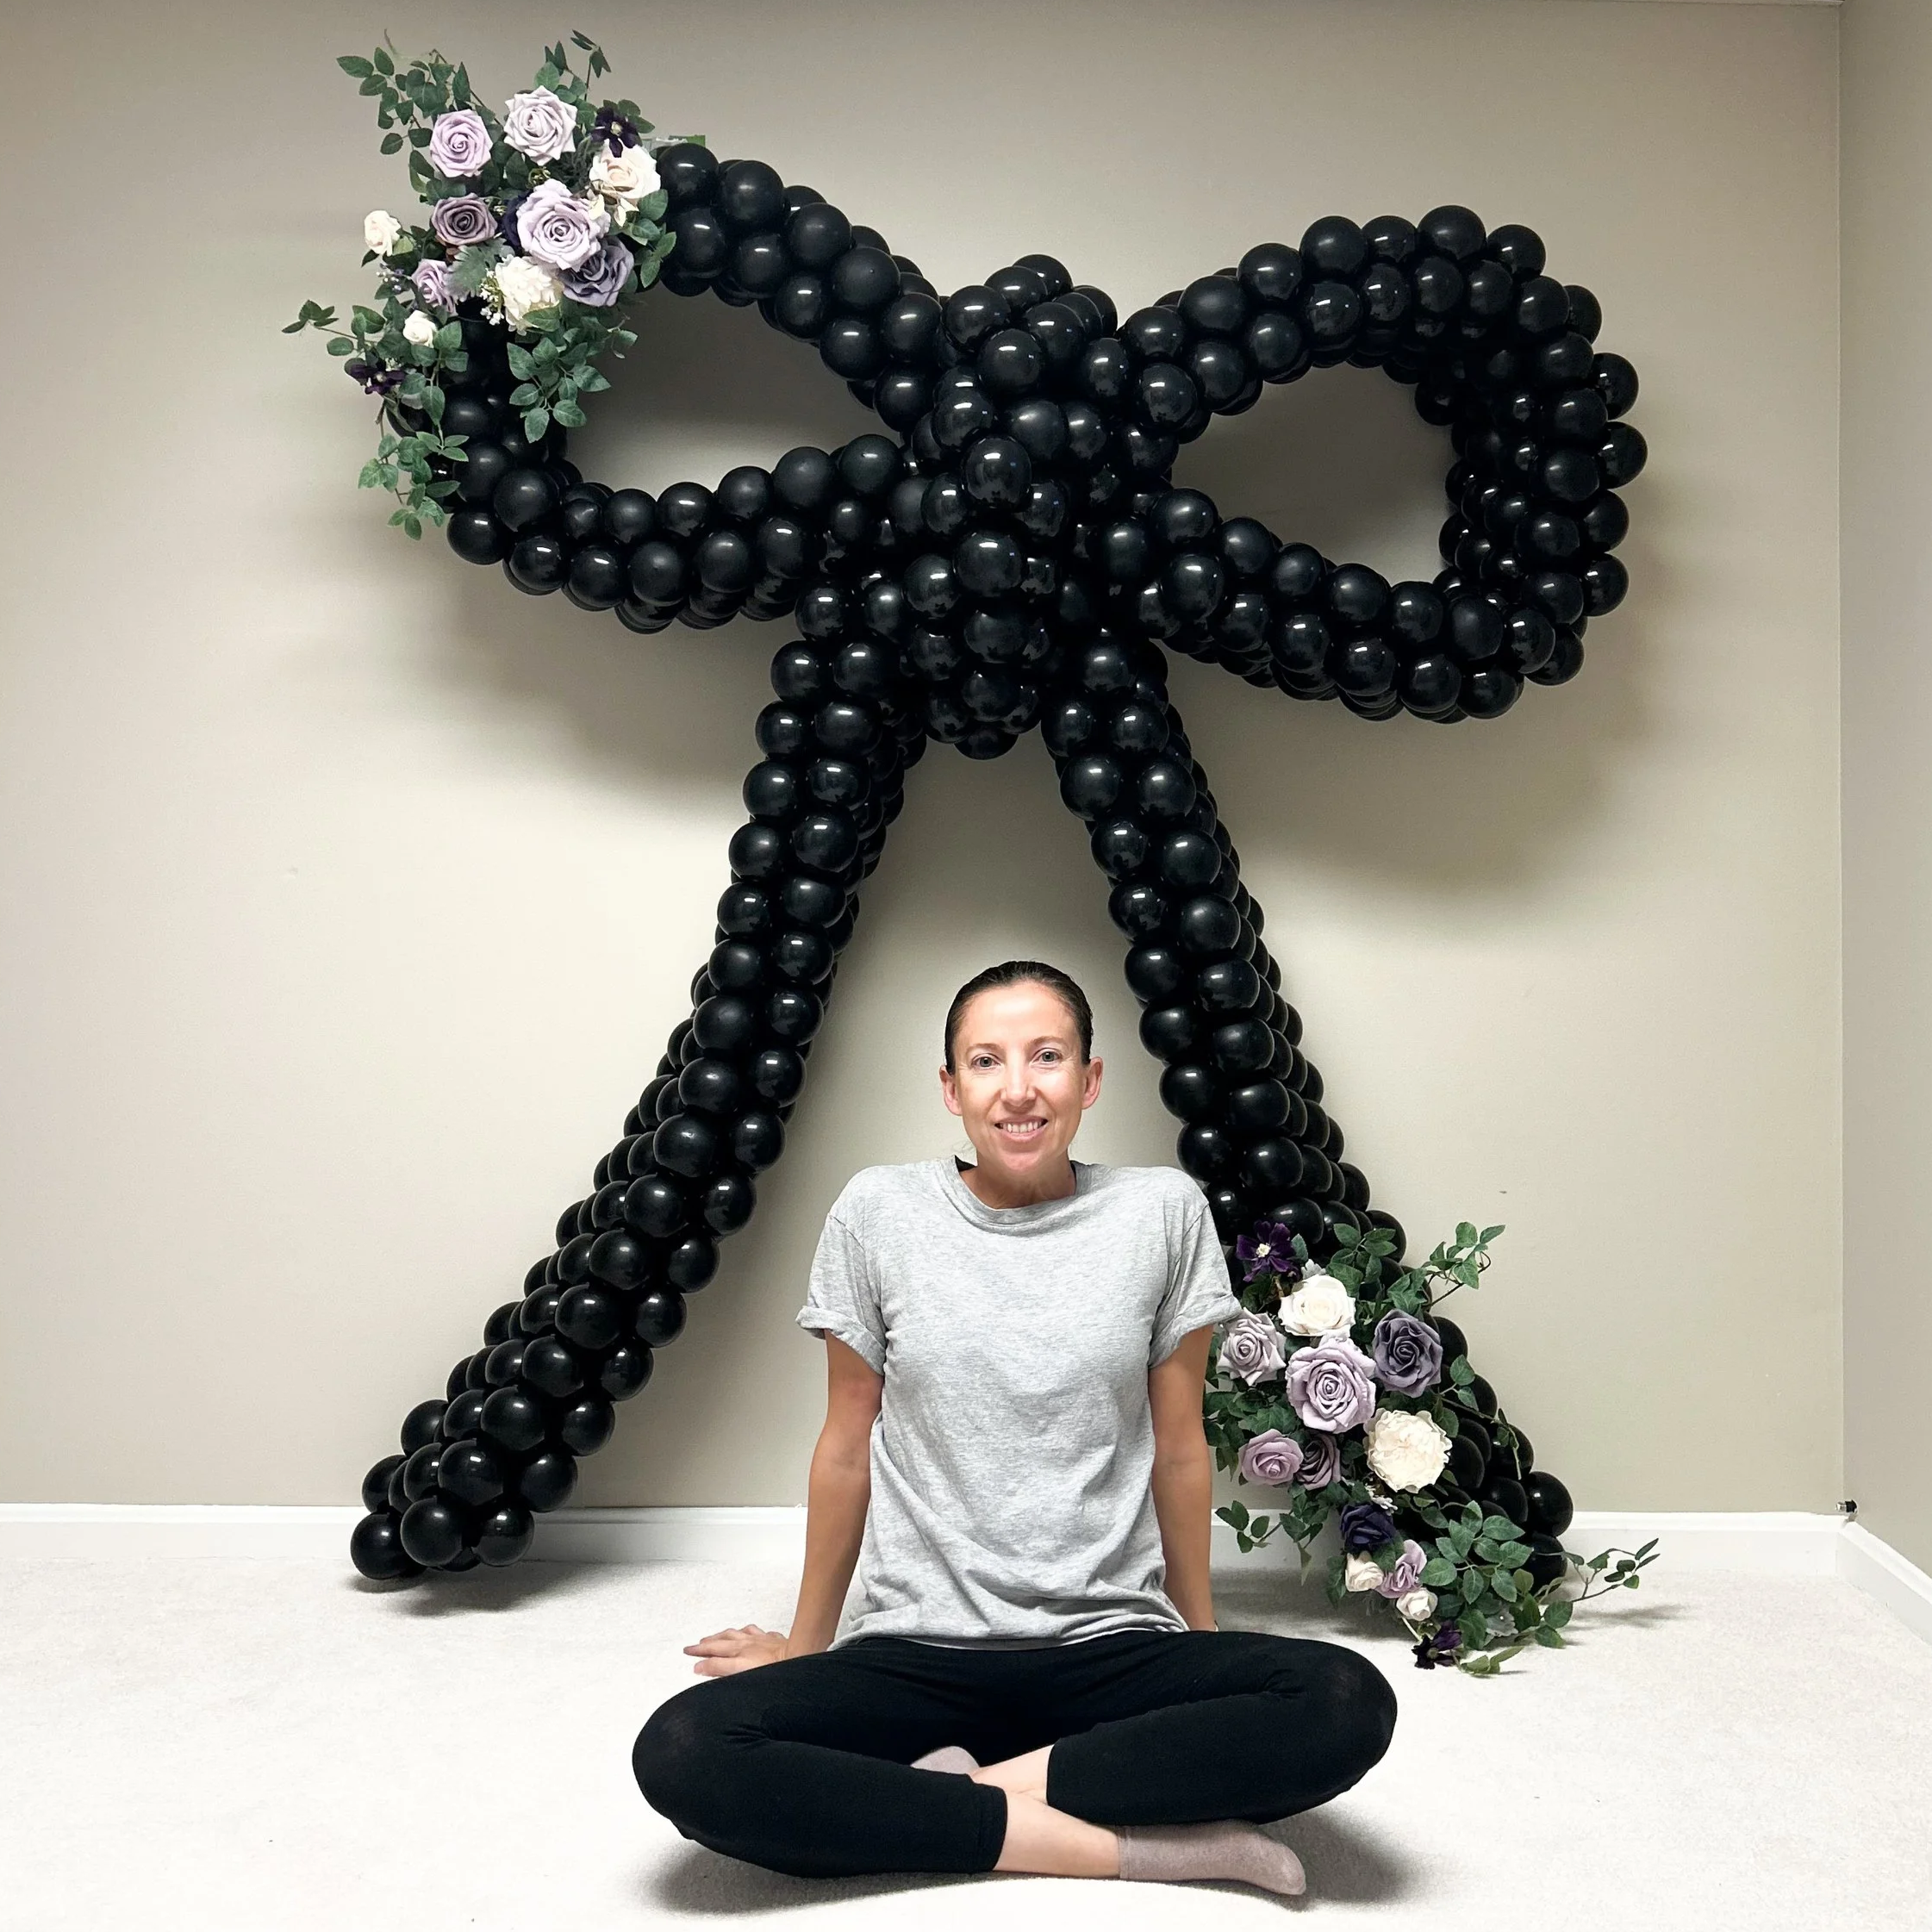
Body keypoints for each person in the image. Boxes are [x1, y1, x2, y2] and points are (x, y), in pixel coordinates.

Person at [633, 960, 1396, 1893]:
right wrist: (804, 1645)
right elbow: (844, 1446)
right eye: (986, 1061)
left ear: (1090, 1078)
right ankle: (1136, 1849)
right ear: (951, 1088)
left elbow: (1179, 1448)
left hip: (1109, 1646)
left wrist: (1198, 1644)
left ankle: (954, 1799)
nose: (1018, 1088)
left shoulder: (1160, 1212)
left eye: (1047, 1056)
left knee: (1344, 1699)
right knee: (685, 1748)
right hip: (914, 1651)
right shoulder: (879, 1212)